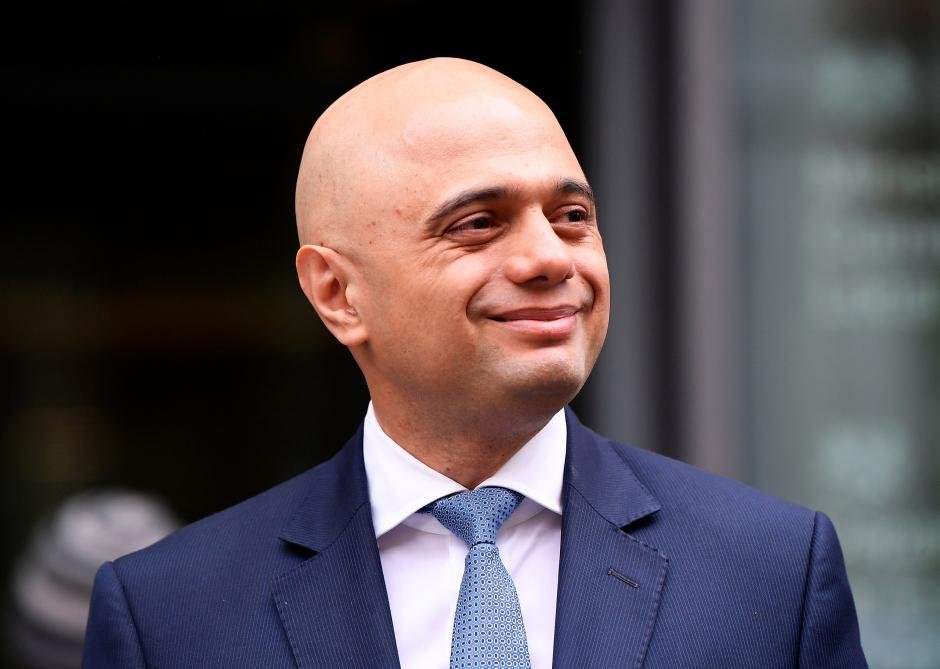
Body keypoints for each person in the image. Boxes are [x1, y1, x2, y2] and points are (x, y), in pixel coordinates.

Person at [82, 58, 867, 668]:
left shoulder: (770, 573)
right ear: (338, 293)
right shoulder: (171, 614)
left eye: (571, 216)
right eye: (479, 223)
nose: (549, 257)